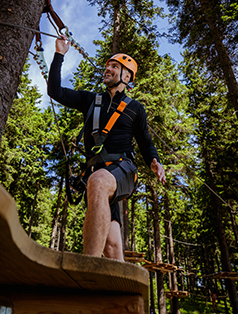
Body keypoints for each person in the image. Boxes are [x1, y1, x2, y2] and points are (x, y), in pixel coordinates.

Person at [48, 36, 165, 261]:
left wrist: (155, 160)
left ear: (127, 76)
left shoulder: (135, 108)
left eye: (114, 67)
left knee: (99, 182)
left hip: (123, 169)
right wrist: (59, 55)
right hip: (94, 175)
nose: (108, 69)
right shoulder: (91, 100)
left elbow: (145, 141)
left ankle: (86, 268)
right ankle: (119, 290)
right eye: (108, 66)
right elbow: (55, 92)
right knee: (112, 247)